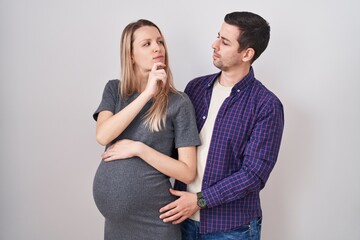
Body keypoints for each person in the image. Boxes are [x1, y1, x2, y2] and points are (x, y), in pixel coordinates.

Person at [159, 11, 285, 240]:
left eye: (225, 42)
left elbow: (253, 174)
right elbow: (173, 146)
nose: (214, 44)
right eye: (218, 36)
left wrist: (199, 200)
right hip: (181, 219)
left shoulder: (267, 105)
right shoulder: (195, 89)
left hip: (231, 228)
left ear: (247, 53)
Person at [92, 19, 200, 240]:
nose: (157, 48)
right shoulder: (114, 90)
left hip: (155, 220)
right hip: (116, 225)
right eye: (146, 43)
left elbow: (188, 172)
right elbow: (103, 135)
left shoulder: (179, 102)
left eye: (159, 41)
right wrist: (146, 94)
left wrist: (139, 148)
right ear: (130, 55)